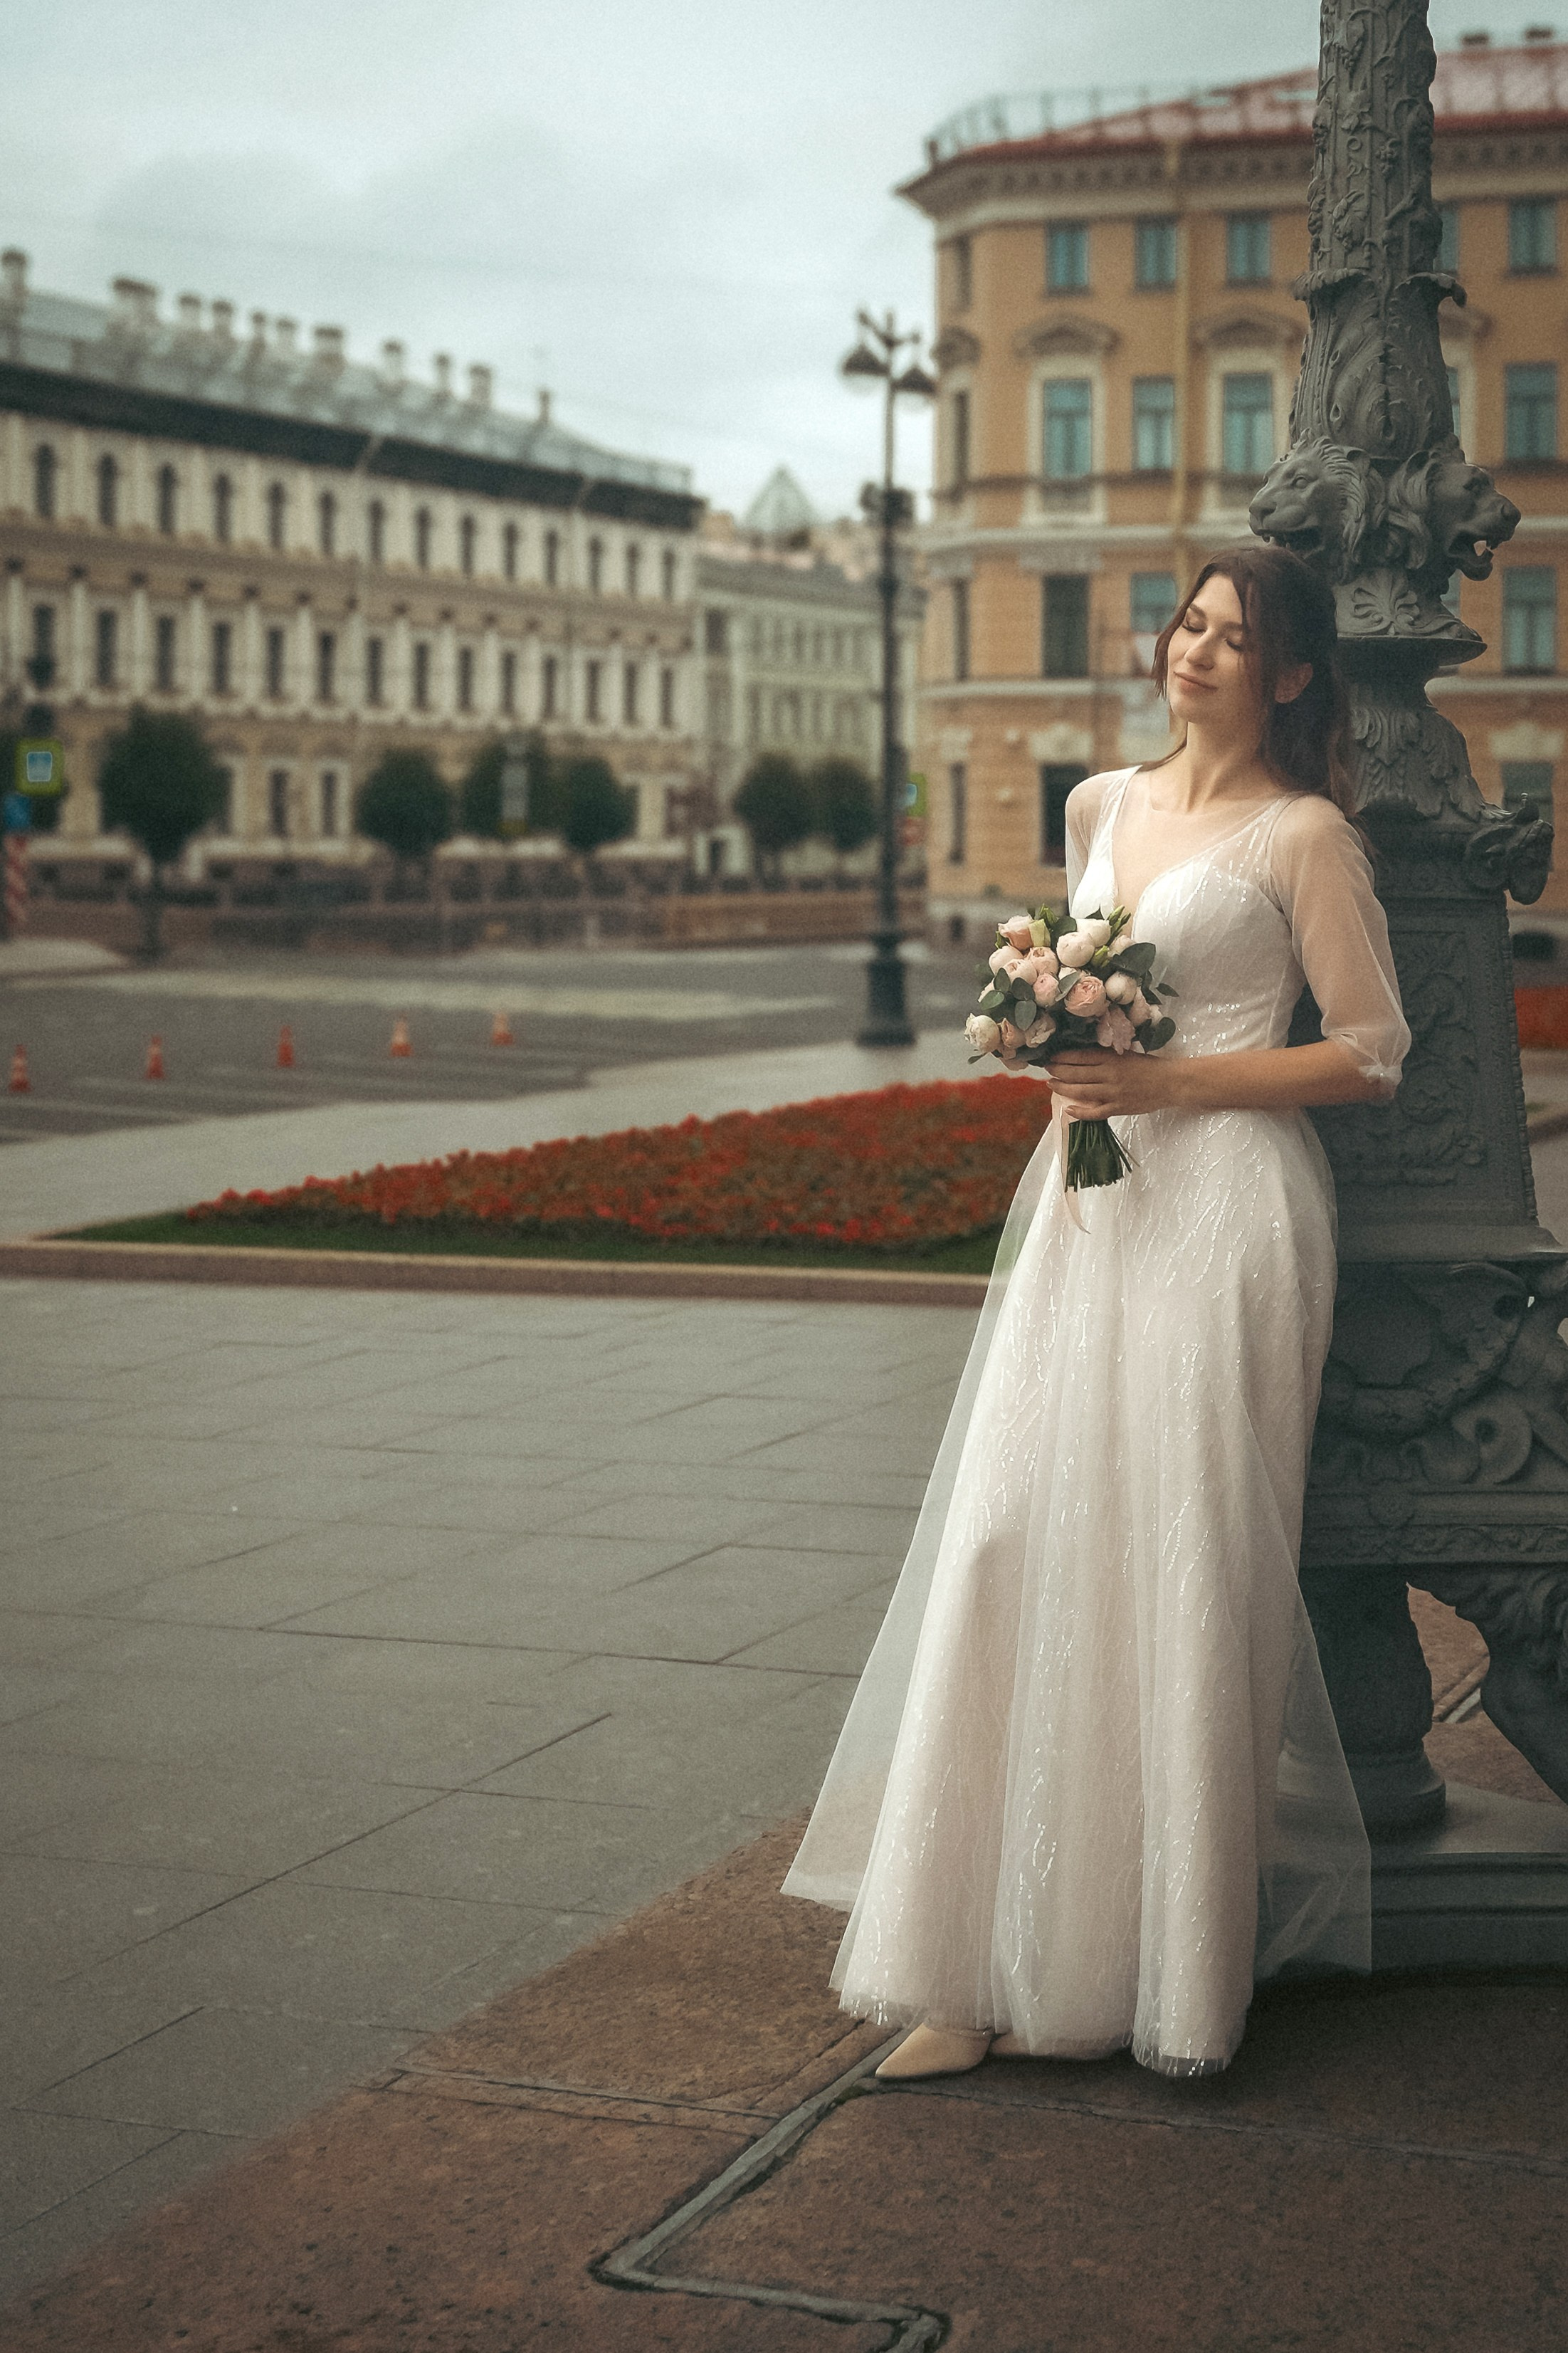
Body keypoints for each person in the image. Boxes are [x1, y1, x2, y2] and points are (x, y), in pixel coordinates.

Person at [780, 545, 1411, 2082]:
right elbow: (1077, 988)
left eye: (1232, 633)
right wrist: (1048, 1036)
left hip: (1234, 1211)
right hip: (1086, 1195)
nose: (1191, 648)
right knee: (1012, 1527)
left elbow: (1374, 1050)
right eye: (1185, 620)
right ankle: (969, 1963)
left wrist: (1165, 1078)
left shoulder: (1306, 833)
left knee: (1181, 1548)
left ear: (1292, 675)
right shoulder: (1095, 807)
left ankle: (1166, 1975)